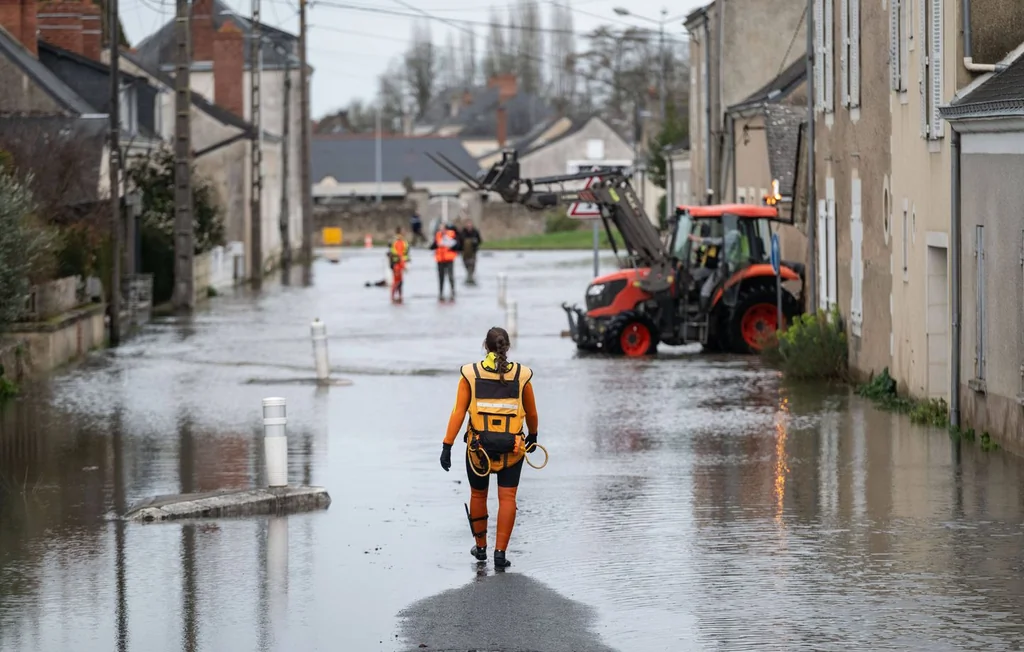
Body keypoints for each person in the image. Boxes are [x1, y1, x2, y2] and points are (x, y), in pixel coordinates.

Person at [439, 326, 538, 568]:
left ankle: (481, 548)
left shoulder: (470, 374)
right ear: (507, 347)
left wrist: (447, 445)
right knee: (507, 498)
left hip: (478, 449)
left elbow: (458, 413)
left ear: (485, 346)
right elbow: (532, 412)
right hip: (512, 450)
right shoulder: (522, 375)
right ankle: (500, 554)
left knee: (478, 494)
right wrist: (533, 436)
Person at [430, 222, 460, 301]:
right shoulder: (438, 235)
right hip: (440, 259)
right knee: (441, 277)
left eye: (443, 228)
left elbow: (457, 244)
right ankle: (441, 292)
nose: (441, 230)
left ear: (446, 229)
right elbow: (434, 245)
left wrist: (451, 246)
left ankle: (453, 291)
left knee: (450, 276)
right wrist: (434, 246)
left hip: (449, 258)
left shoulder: (451, 234)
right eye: (440, 228)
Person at [387, 227, 409, 302]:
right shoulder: (399, 241)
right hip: (397, 264)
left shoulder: (397, 240)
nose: (405, 232)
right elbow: (400, 255)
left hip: (396, 263)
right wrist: (404, 266)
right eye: (404, 231)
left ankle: (399, 297)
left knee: (399, 281)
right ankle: (393, 297)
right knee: (397, 282)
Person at [459, 219, 483, 286]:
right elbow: (460, 241)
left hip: (473, 252)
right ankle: (469, 275)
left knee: (472, 264)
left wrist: (475, 242)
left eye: (470, 224)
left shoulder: (475, 232)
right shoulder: (463, 232)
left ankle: (470, 276)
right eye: (468, 224)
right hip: (465, 252)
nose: (469, 225)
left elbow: (480, 241)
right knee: (466, 264)